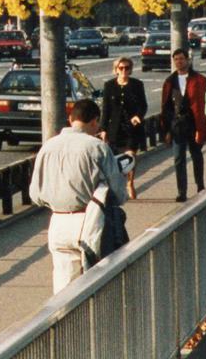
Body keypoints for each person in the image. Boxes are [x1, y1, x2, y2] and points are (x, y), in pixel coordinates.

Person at [28, 98, 126, 292]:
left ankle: (60, 320)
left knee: (63, 286)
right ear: (94, 121)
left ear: (71, 119)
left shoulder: (48, 147)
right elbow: (117, 192)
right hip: (88, 220)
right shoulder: (96, 147)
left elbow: (35, 194)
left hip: (57, 221)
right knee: (93, 285)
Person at [159, 49, 206, 203]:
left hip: (193, 123)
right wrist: (166, 130)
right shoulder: (170, 81)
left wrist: (202, 129)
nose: (179, 62)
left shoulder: (199, 79)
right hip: (177, 125)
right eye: (176, 59)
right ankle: (182, 191)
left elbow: (202, 105)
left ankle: (200, 186)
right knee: (178, 158)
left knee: (196, 155)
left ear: (188, 60)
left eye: (181, 59)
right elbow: (166, 107)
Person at [99, 57, 147, 200]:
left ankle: (130, 183)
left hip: (132, 128)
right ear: (116, 70)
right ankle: (118, 185)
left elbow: (143, 105)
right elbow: (106, 109)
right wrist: (103, 129)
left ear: (130, 69)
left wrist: (138, 116)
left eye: (127, 68)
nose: (124, 71)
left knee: (130, 157)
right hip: (115, 128)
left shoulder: (137, 85)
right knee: (115, 160)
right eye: (121, 68)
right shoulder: (109, 86)